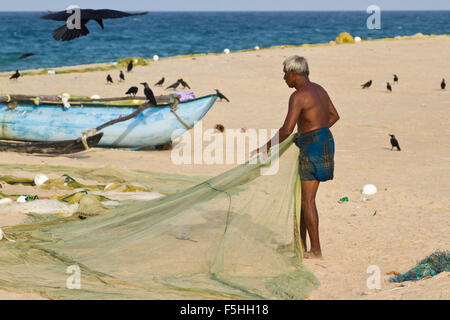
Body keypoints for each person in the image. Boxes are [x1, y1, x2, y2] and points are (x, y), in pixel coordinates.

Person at [252, 55, 339, 258]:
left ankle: (316, 250)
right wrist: (317, 130)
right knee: (304, 198)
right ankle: (300, 245)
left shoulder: (298, 96)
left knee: (307, 200)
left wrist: (265, 147)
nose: (284, 78)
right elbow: (334, 116)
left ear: (293, 73)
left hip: (313, 147)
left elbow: (286, 129)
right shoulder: (319, 89)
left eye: (285, 73)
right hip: (325, 141)